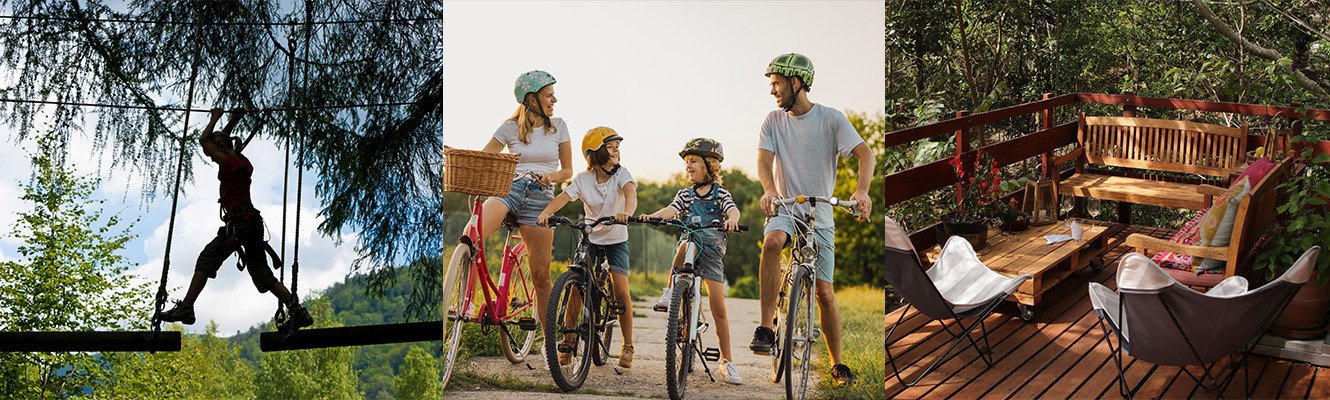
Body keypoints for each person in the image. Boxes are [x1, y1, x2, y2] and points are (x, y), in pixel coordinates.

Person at [748, 53, 875, 386]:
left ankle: (838, 363)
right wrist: (770, 190)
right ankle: (766, 327)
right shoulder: (773, 121)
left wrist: (862, 192)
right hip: (786, 207)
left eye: (776, 83)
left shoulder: (831, 119)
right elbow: (764, 162)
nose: (772, 90)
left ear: (796, 82)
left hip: (820, 212)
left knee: (825, 292)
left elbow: (866, 153)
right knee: (773, 242)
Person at [157, 108, 314, 332]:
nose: (212, 158)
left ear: (221, 149)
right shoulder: (240, 160)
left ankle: (187, 306)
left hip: (239, 224)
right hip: (250, 222)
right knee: (262, 274)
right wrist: (232, 121)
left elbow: (204, 141)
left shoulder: (229, 164)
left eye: (213, 155)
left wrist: (215, 117)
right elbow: (223, 143)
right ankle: (298, 311)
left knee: (207, 259)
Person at [476, 70, 574, 344]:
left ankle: (549, 344)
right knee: (472, 235)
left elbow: (567, 170)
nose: (554, 99)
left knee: (541, 276)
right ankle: (465, 303)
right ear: (532, 99)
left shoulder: (559, 126)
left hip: (541, 199)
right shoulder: (509, 128)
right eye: (548, 94)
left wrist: (551, 176)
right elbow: (485, 157)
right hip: (509, 190)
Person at [641, 137, 744, 385]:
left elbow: (733, 210)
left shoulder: (721, 193)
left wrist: (731, 219)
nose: (688, 166)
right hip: (690, 247)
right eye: (687, 162)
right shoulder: (685, 195)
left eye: (694, 161)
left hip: (712, 253)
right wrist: (653, 216)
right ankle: (670, 291)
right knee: (686, 244)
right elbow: (671, 209)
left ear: (709, 166)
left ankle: (727, 362)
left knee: (719, 308)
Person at [537, 126, 638, 369]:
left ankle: (628, 344)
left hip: (616, 237)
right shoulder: (583, 180)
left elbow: (630, 194)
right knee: (576, 288)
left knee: (621, 290)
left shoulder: (621, 174)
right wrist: (546, 212)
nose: (616, 151)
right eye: (611, 147)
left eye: (617, 147)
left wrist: (627, 212)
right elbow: (563, 198)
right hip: (591, 235)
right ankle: (568, 341)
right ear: (596, 153)